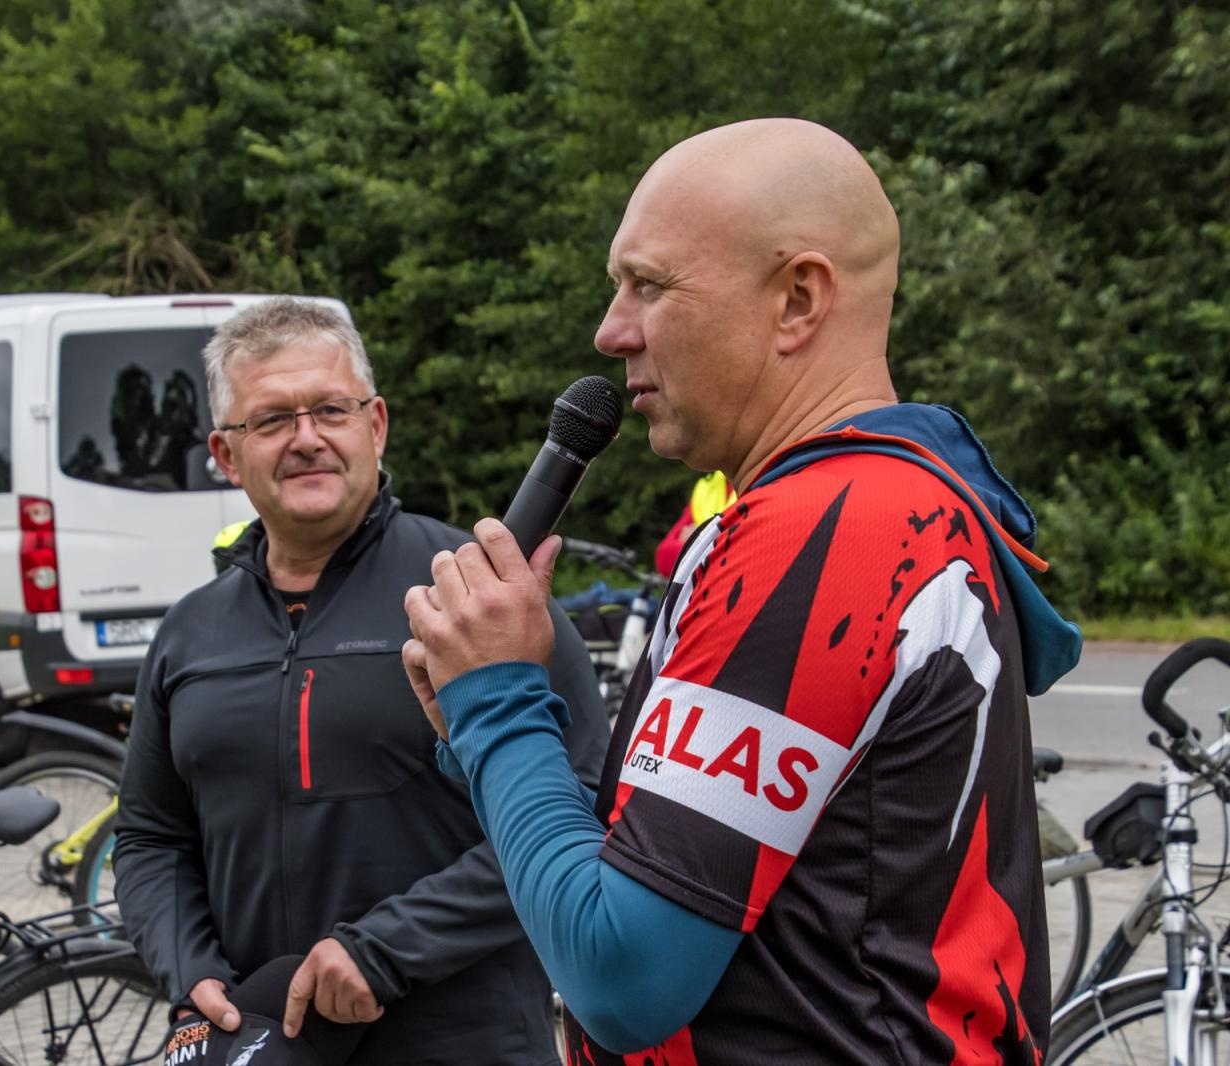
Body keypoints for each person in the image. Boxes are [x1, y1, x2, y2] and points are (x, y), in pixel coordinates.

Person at [401, 118, 1083, 1064]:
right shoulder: (890, 503)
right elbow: (658, 865)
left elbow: (623, 976)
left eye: (649, 285)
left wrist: (502, 711)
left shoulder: (831, 535)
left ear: (798, 299)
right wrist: (484, 730)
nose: (611, 331)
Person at [112, 297, 609, 1064]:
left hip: (462, 1038)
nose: (306, 438)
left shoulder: (477, 598)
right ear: (224, 453)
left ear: (375, 425)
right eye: (271, 420)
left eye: (330, 410)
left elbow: (579, 802)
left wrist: (387, 949)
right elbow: (150, 837)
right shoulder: (188, 633)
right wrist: (190, 967)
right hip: (261, 1039)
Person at [652, 470, 734, 578]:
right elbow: (664, 558)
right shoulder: (708, 484)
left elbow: (736, 558)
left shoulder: (757, 484)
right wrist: (716, 546)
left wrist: (695, 539)